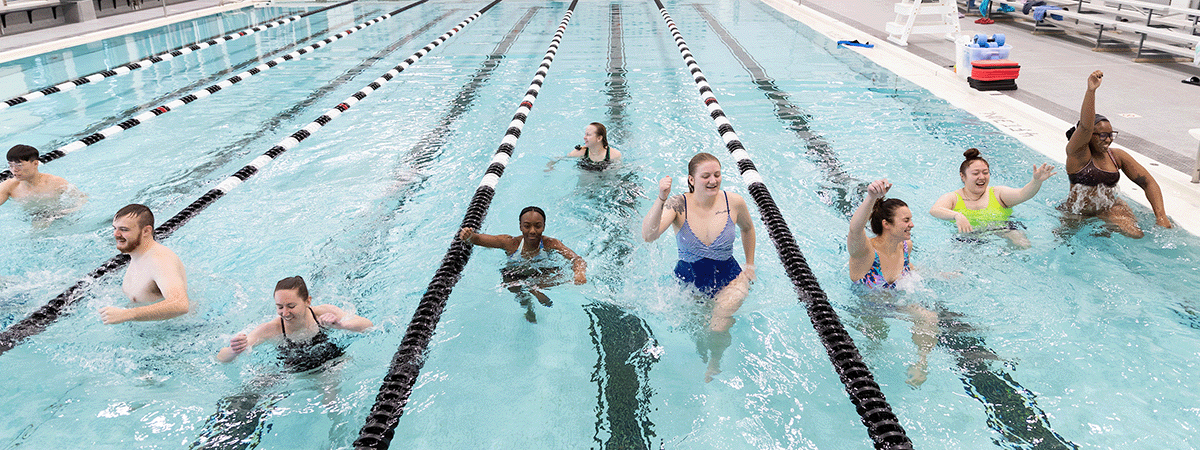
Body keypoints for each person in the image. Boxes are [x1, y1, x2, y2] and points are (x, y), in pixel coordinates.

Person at [641, 152, 756, 382]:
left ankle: (716, 361)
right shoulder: (677, 204)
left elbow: (748, 229)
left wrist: (750, 264)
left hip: (730, 277)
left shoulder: (733, 202)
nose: (713, 180)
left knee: (718, 325)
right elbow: (649, 236)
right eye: (706, 176)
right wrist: (661, 199)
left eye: (717, 174)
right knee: (697, 328)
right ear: (692, 180)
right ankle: (702, 353)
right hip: (688, 282)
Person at [1061, 70, 1171, 238]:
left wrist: (1161, 216)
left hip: (1109, 207)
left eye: (1111, 134)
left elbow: (1148, 182)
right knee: (1066, 242)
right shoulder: (1077, 155)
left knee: (1136, 235)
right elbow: (1085, 126)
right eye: (1103, 135)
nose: (1109, 140)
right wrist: (1091, 91)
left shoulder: (1116, 156)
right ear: (1089, 137)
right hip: (1078, 213)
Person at [848, 179, 936, 387]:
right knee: (877, 340)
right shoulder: (866, 253)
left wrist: (939, 274)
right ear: (886, 224)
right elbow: (855, 230)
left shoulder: (905, 246)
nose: (912, 224)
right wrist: (871, 197)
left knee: (929, 317)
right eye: (906, 220)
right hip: (866, 308)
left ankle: (920, 363)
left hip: (895, 303)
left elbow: (909, 270)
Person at [459, 206, 587, 323]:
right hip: (515, 274)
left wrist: (579, 273)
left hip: (542, 271)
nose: (532, 231)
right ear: (520, 226)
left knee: (558, 274)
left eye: (538, 226)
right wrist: (469, 236)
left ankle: (535, 289)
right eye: (527, 226)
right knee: (510, 283)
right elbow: (478, 239)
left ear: (544, 226)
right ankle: (529, 306)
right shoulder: (510, 243)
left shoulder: (551, 243)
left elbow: (577, 259)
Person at [216, 276, 372, 372]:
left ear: (307, 301)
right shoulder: (271, 329)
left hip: (331, 363)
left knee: (330, 393)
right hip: (292, 372)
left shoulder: (322, 312)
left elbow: (367, 325)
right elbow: (221, 358)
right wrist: (235, 350)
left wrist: (341, 325)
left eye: (291, 306)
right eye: (279, 307)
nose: (285, 313)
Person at [930, 148, 1056, 248]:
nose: (982, 177)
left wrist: (1036, 181)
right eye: (975, 173)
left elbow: (1023, 194)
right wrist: (957, 215)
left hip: (1001, 229)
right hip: (969, 236)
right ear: (963, 176)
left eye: (985, 172)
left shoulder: (998, 193)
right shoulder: (953, 197)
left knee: (1022, 244)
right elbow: (935, 210)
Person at [99, 204, 191, 324]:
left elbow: (181, 304)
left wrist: (127, 314)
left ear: (146, 231)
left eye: (124, 229)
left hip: (175, 331)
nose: (116, 234)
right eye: (115, 228)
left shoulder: (160, 261)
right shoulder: (137, 254)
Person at [0, 144, 87, 225]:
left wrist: (67, 211)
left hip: (61, 217)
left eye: (19, 165)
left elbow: (82, 199)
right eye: (10, 165)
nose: (14, 170)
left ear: (35, 163)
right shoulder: (9, 186)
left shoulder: (55, 182)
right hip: (33, 219)